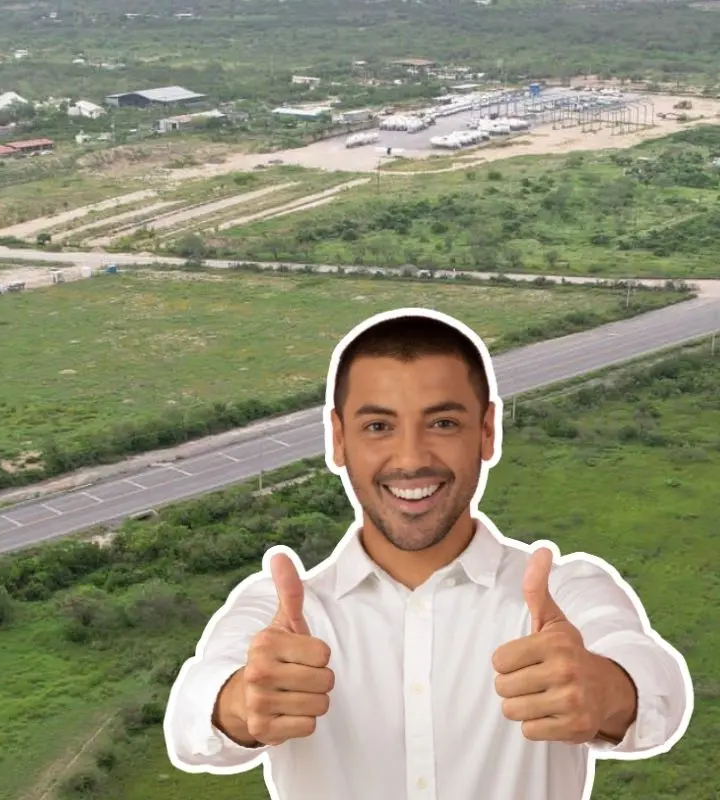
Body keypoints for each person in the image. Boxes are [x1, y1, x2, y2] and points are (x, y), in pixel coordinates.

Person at [162, 308, 694, 800]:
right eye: (378, 427)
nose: (412, 458)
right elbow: (190, 721)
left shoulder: (565, 593)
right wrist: (237, 704)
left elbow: (657, 685)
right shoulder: (279, 614)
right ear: (338, 439)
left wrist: (605, 691)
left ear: (487, 431)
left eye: (443, 423)